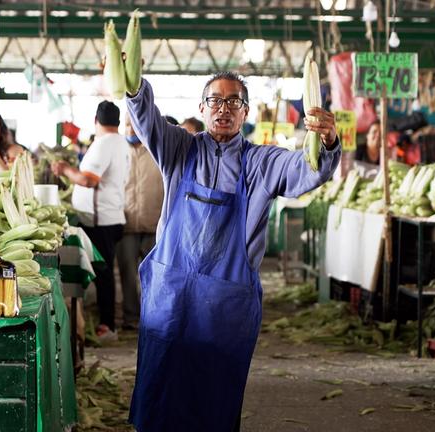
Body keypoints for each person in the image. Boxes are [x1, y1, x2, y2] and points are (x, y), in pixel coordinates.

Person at [126, 70, 340, 431]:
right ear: (202, 107)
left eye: (233, 102)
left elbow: (306, 168)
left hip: (224, 308)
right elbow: (146, 120)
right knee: (159, 390)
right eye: (215, 100)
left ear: (245, 112)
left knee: (213, 399)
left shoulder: (262, 163)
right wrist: (132, 85)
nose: (223, 109)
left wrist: (329, 141)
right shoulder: (178, 148)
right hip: (170, 298)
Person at [51, 101, 130, 341]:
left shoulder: (104, 144)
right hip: (110, 215)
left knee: (103, 272)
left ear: (96, 121)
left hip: (100, 219)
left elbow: (88, 180)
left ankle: (107, 326)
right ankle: (106, 322)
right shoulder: (120, 142)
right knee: (104, 270)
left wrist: (64, 169)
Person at [115, 113, 164, 331]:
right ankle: (131, 317)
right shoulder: (116, 151)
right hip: (126, 226)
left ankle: (153, 317)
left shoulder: (158, 150)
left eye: (135, 124)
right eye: (127, 125)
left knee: (154, 275)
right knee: (127, 273)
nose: (131, 129)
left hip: (154, 224)